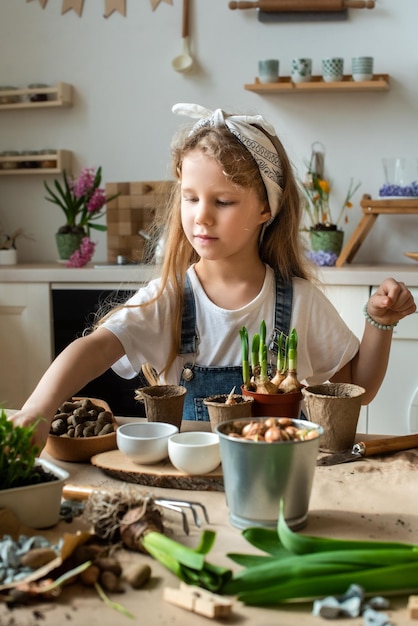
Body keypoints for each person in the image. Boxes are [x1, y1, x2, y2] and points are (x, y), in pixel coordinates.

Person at [11, 103, 416, 448]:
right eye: (190, 198)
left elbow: (356, 391)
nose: (201, 215)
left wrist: (379, 323)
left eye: (222, 201)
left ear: (266, 210)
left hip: (272, 478)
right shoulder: (170, 297)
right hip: (187, 484)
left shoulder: (299, 301)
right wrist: (37, 411)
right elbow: (96, 348)